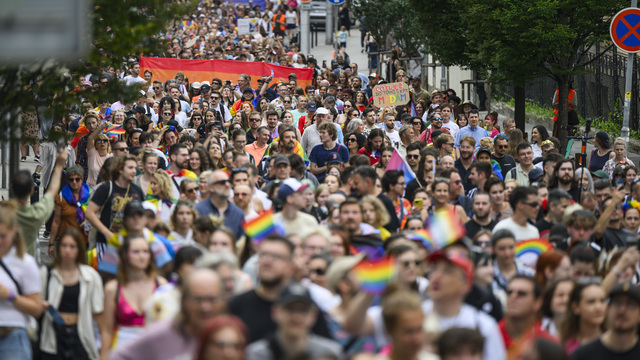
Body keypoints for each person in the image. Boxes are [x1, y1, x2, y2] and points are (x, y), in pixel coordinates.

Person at [229, 235, 332, 342]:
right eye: (263, 255)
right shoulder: (238, 304)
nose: (267, 261)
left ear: (291, 266)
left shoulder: (304, 304)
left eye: (276, 256)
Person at [111, 268, 226, 360]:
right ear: (184, 301)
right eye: (197, 299)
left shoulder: (231, 334)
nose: (205, 307)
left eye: (212, 299)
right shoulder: (161, 334)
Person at [39, 228, 104, 360]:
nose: (68, 250)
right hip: (53, 336)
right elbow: (35, 303)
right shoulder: (47, 273)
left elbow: (99, 313)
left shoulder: (90, 276)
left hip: (81, 334)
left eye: (72, 246)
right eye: (64, 245)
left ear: (79, 249)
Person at [100, 236, 167, 357]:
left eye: (145, 251)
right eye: (136, 252)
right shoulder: (113, 288)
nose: (142, 256)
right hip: (123, 351)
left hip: (154, 350)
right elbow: (107, 330)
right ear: (125, 256)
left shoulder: (161, 285)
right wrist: (103, 356)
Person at [245, 283, 341, 360]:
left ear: (313, 315)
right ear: (275, 312)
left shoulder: (329, 353)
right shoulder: (257, 354)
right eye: (290, 309)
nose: (296, 317)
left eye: (303, 310)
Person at [0, 202, 45, 359]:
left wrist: (10, 295)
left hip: (13, 337)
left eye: (3, 236)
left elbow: (36, 308)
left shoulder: (25, 263)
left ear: (14, 232)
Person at [12, 146, 67, 258]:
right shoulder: (35, 214)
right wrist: (59, 165)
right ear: (32, 191)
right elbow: (52, 191)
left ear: (11, 188)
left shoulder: (4, 212)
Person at [85, 154, 146, 246]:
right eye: (130, 168)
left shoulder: (137, 190)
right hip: (106, 242)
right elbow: (89, 213)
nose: (134, 171)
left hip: (129, 243)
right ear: (120, 169)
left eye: (135, 168)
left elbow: (142, 215)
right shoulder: (106, 188)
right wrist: (107, 233)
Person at [571, 282, 640, 360]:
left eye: (630, 304)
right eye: (617, 303)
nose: (622, 310)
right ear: (607, 309)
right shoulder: (581, 355)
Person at [499, 276, 557, 360]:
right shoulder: (488, 335)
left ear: (538, 303)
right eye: (509, 292)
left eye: (521, 293)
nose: (513, 297)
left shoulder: (549, 345)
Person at [49, 166, 91, 256]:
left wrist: (88, 223)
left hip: (85, 243)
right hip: (66, 243)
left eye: (77, 179)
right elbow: (56, 221)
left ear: (82, 179)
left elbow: (97, 216)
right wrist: (51, 243)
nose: (74, 182)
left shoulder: (91, 195)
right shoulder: (61, 197)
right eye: (71, 180)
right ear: (68, 181)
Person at [558, 281, 607, 354]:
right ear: (576, 307)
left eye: (602, 301)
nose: (598, 307)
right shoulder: (565, 346)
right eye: (591, 302)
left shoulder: (615, 342)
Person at [195, 170, 245, 239]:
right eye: (222, 182)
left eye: (228, 181)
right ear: (211, 187)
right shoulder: (197, 210)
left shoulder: (238, 213)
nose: (227, 185)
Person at [353, 166, 401, 232]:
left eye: (356, 183)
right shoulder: (352, 199)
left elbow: (392, 230)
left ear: (368, 182)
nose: (354, 186)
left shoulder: (386, 202)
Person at [491, 229, 535, 301]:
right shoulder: (487, 276)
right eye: (502, 249)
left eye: (511, 247)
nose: (507, 253)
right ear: (493, 249)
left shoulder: (529, 274)